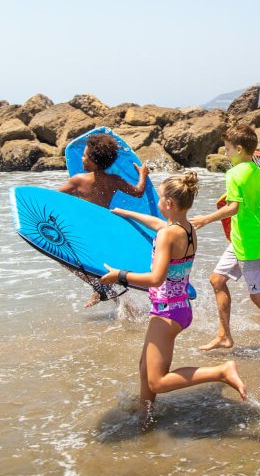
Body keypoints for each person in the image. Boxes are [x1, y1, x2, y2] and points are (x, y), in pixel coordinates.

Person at [100, 171, 247, 425]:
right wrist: (128, 213)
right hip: (178, 307)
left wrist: (120, 276)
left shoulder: (169, 234)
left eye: (159, 198)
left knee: (157, 380)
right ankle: (145, 417)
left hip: (167, 311)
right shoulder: (187, 229)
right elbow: (157, 224)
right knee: (145, 369)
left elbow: (156, 279)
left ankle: (221, 372)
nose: (157, 203)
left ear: (169, 204)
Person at [190, 124, 260, 361]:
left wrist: (205, 219)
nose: (225, 152)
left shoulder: (234, 174)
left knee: (258, 295)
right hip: (248, 237)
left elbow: (233, 207)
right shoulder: (257, 171)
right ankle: (224, 335)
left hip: (247, 244)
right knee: (217, 279)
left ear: (239, 149)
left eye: (228, 148)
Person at [58, 133, 149, 306]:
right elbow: (138, 192)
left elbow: (53, 199)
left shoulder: (78, 180)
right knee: (102, 266)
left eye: (85, 156)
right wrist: (142, 174)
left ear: (93, 161)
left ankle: (101, 289)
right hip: (105, 228)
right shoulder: (114, 180)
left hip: (83, 230)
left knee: (67, 261)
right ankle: (113, 298)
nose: (82, 159)